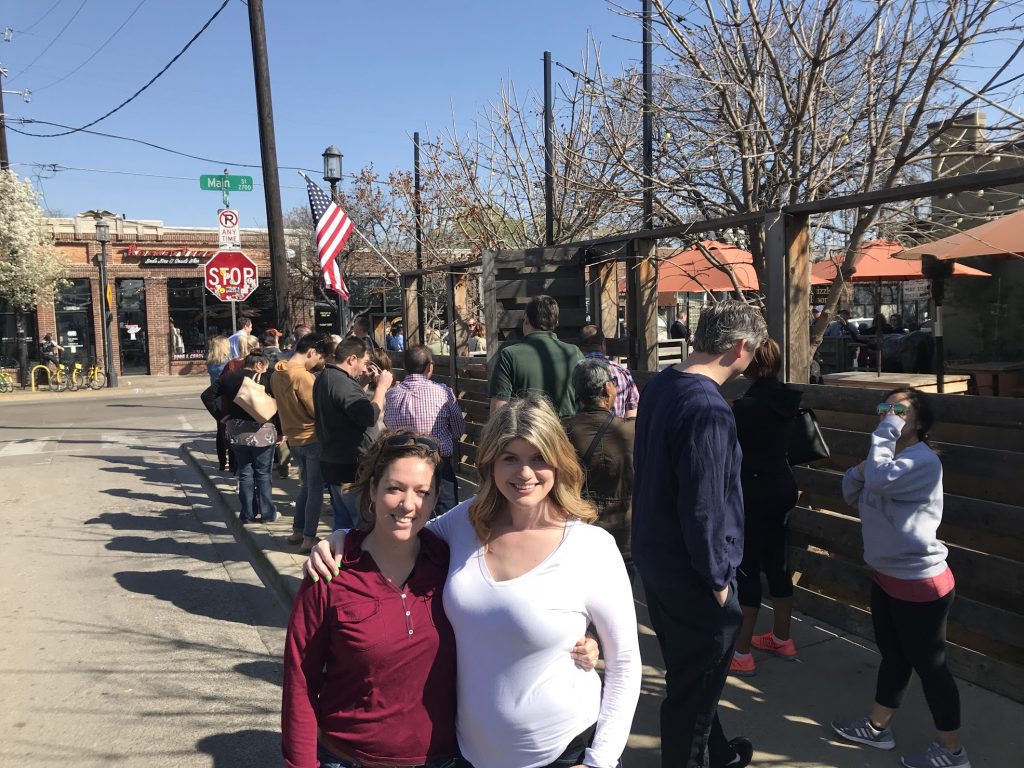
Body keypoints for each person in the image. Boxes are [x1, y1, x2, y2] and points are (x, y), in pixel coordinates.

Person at [307, 396, 641, 768]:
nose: (524, 473)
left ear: (559, 461)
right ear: (491, 463)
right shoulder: (465, 521)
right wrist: (342, 538)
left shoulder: (590, 547)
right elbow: (398, 534)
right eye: (510, 458)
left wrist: (601, 760)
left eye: (538, 457)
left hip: (565, 752)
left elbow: (625, 662)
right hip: (467, 755)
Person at [632, 300, 766, 768]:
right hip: (693, 571)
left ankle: (717, 751)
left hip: (658, 557)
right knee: (694, 690)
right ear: (740, 347)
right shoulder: (708, 408)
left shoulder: (661, 385)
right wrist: (717, 578)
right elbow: (705, 505)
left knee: (689, 676)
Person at [832, 388, 968, 768]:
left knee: (932, 667)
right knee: (894, 657)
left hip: (920, 583)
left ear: (920, 423)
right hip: (887, 577)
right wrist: (866, 467)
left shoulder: (923, 462)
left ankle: (953, 752)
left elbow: (873, 481)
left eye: (899, 411)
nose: (889, 416)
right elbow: (849, 488)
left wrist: (876, 447)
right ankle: (877, 728)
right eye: (884, 408)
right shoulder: (886, 459)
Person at [728, 339, 801, 677]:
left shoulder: (745, 407)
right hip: (783, 485)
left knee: (748, 567)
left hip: (753, 490)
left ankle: (741, 652)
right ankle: (782, 637)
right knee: (778, 562)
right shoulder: (788, 399)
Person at [314, 337, 394, 529]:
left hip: (333, 462)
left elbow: (347, 409)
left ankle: (341, 557)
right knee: (362, 524)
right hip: (351, 467)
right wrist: (381, 388)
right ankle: (356, 558)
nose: (364, 368)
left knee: (342, 523)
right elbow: (368, 416)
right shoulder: (342, 383)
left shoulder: (326, 377)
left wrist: (363, 383)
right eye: (364, 362)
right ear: (351, 359)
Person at [563, 358, 636, 558]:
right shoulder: (632, 430)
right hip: (625, 531)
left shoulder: (563, 431)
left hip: (580, 527)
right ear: (607, 388)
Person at [383, 345, 466, 515]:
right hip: (438, 461)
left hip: (403, 460)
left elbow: (388, 425)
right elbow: (458, 430)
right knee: (446, 514)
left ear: (405, 367)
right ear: (430, 366)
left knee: (409, 512)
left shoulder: (391, 395)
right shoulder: (443, 392)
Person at [201, 351, 280, 524]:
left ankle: (247, 514)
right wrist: (281, 431)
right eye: (266, 366)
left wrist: (221, 417)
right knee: (263, 474)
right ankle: (267, 514)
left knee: (244, 473)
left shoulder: (229, 378)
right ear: (259, 364)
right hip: (263, 432)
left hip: (237, 432)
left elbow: (206, 396)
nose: (267, 370)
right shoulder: (268, 379)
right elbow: (278, 407)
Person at [271, 333, 330, 553]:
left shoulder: (277, 373)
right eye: (318, 358)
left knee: (306, 485)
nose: (317, 363)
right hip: (311, 437)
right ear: (311, 352)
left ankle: (297, 530)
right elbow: (316, 410)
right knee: (315, 489)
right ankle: (308, 537)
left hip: (293, 437)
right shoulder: (303, 377)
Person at [488, 294, 584, 418]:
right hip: (565, 434)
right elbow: (586, 401)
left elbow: (498, 410)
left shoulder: (509, 355)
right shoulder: (574, 353)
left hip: (527, 433)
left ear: (526, 319)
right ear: (557, 322)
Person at [578, 325, 640, 418]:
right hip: (617, 430)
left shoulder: (576, 371)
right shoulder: (622, 372)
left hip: (581, 430)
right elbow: (632, 412)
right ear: (603, 344)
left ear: (579, 347)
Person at [205, 335, 233, 472]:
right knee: (231, 428)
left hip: (216, 399)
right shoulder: (228, 363)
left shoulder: (211, 363)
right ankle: (232, 460)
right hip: (226, 398)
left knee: (220, 430)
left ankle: (222, 462)